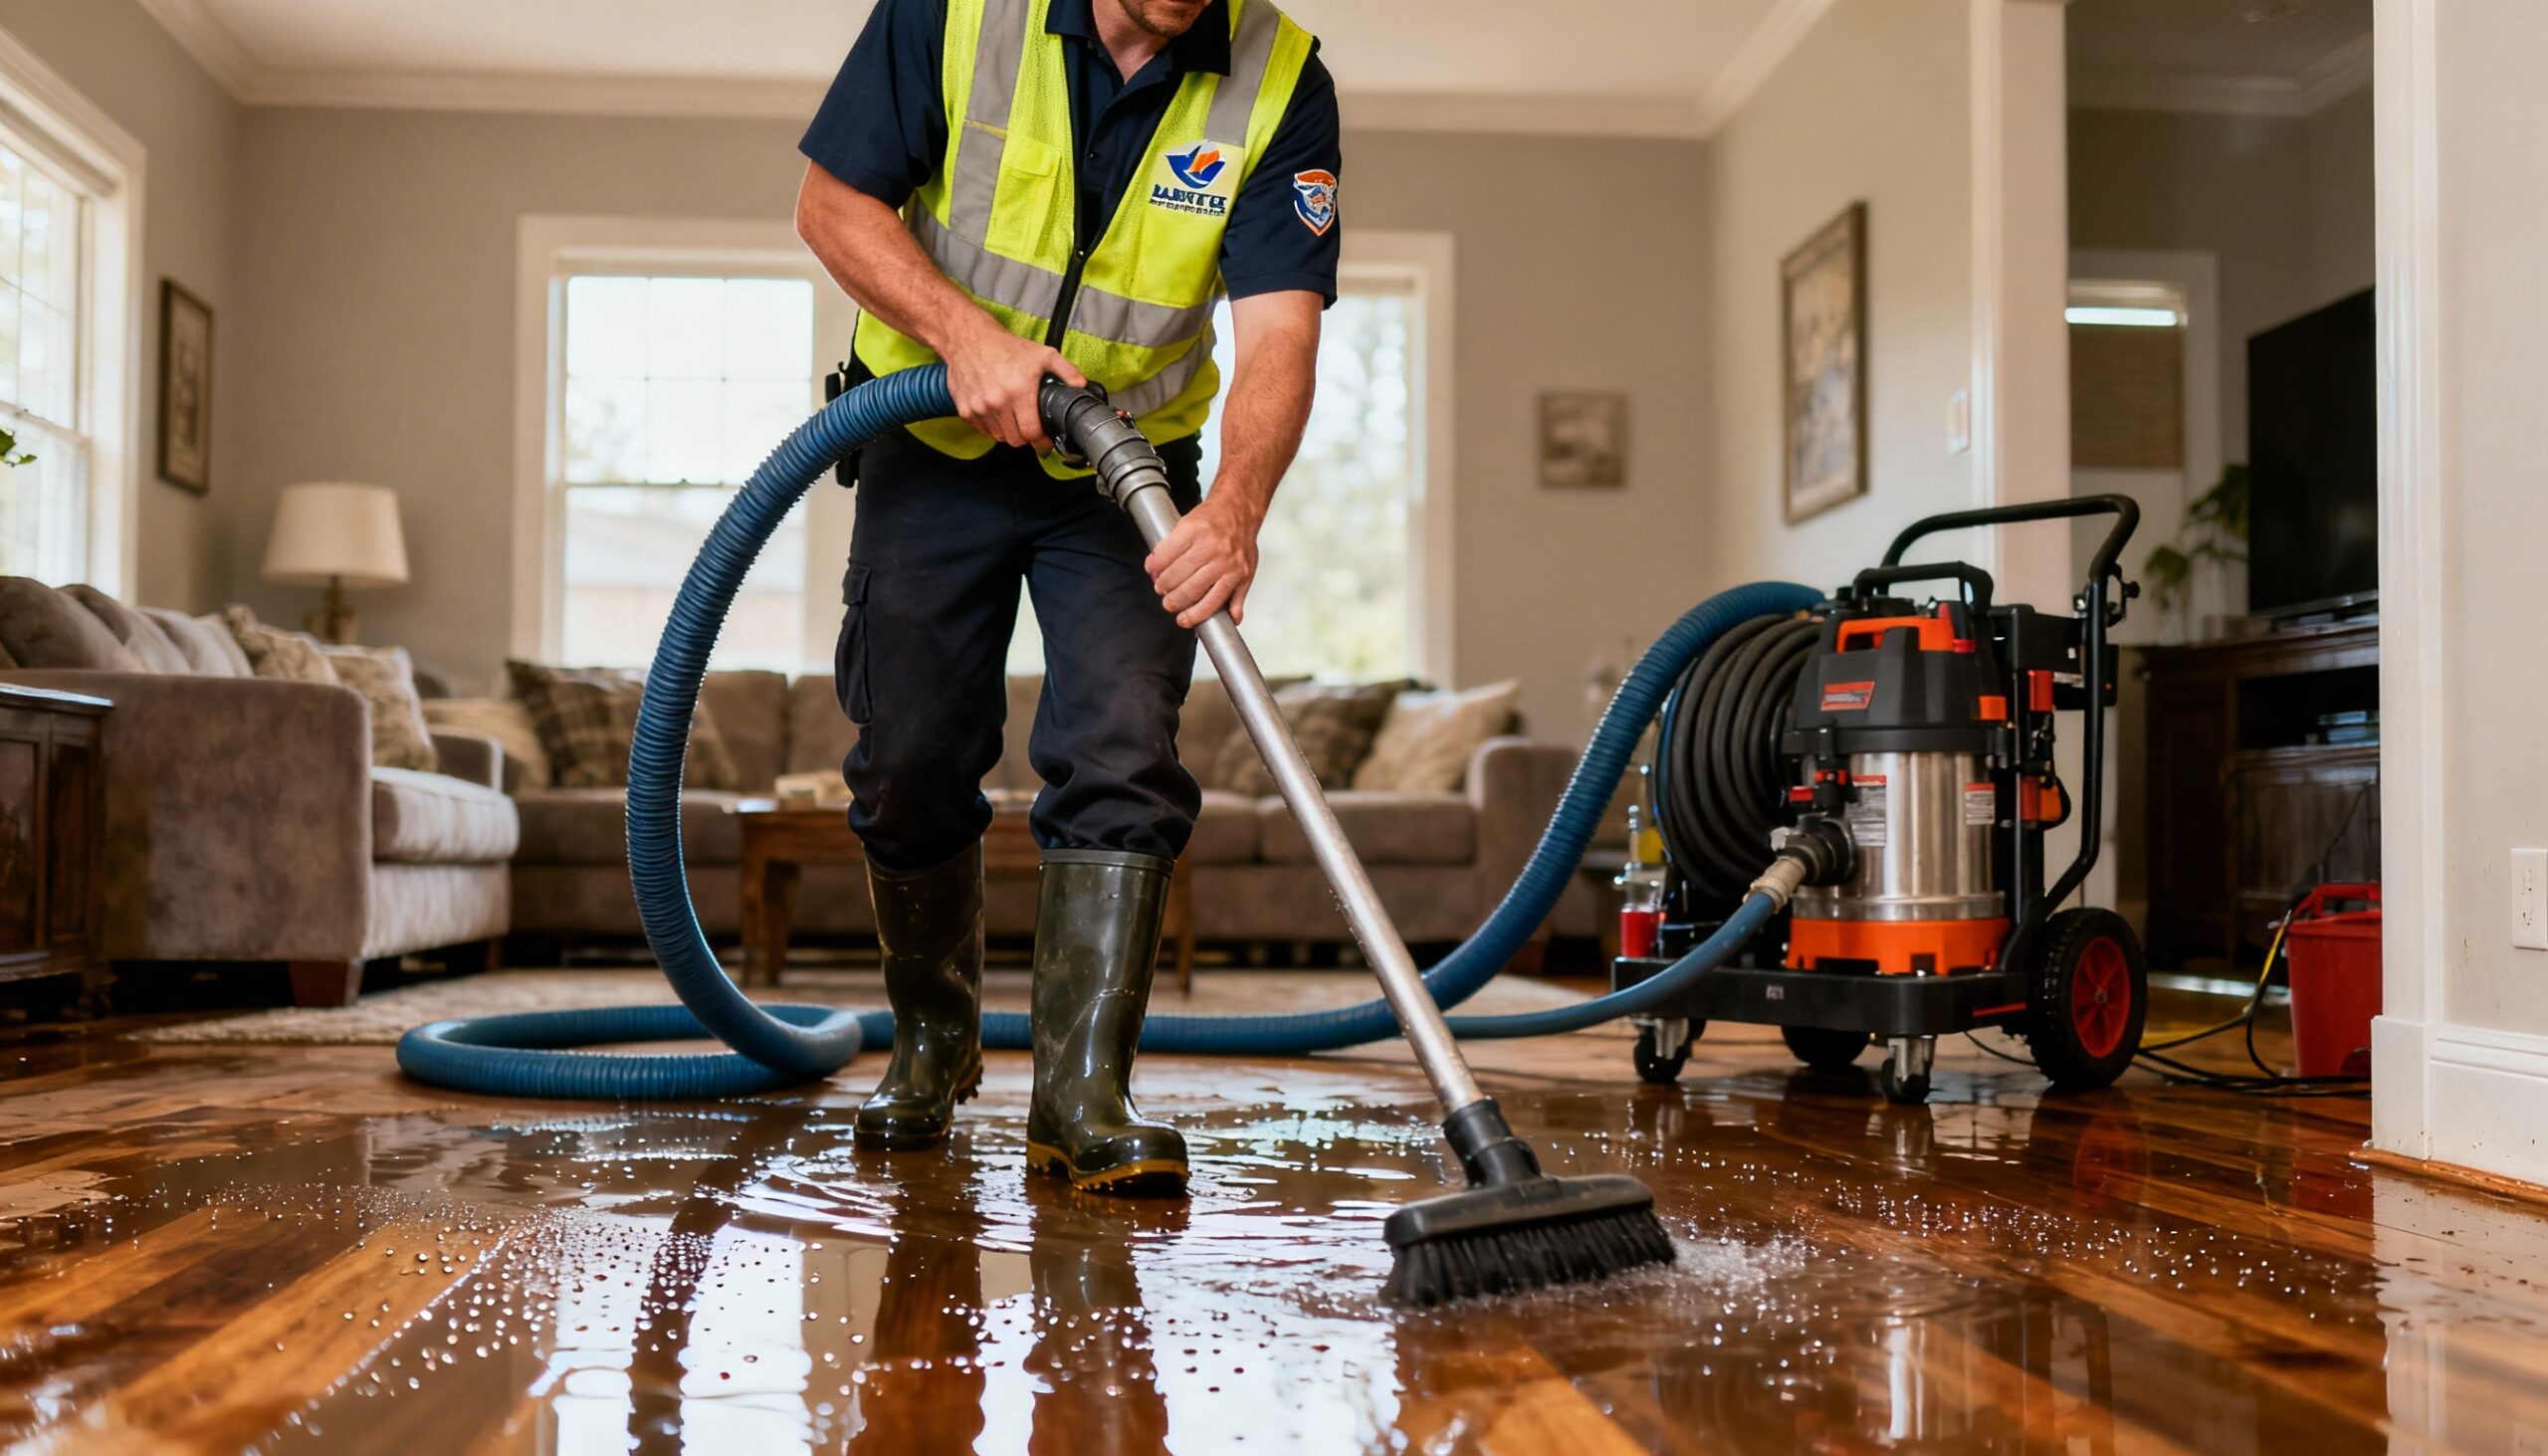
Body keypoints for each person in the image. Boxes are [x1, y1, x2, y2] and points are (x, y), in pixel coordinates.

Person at [794, 0, 1340, 1193]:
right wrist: (965, 337)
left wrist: (1234, 509)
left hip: (1123, 465)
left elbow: (1280, 333)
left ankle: (1082, 1095)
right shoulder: (956, 12)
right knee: (909, 753)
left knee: (1123, 754)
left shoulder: (1279, 77)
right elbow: (832, 205)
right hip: (931, 437)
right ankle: (932, 1044)